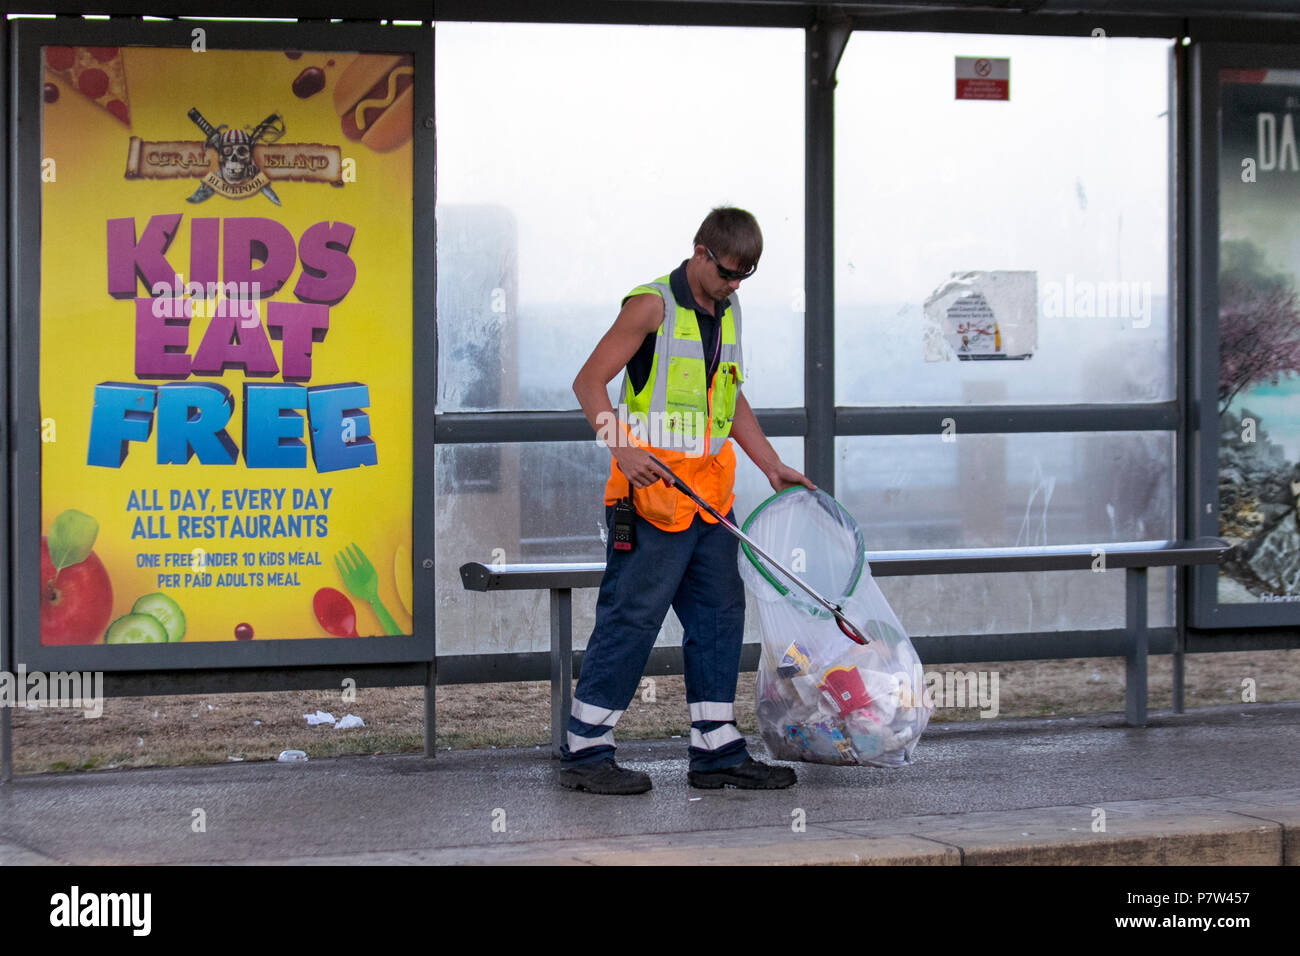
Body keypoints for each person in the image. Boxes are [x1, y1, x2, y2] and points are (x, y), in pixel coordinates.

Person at [563, 207, 814, 794]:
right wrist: (621, 449)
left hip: (708, 504)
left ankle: (715, 749)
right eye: (727, 273)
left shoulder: (729, 310)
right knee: (631, 619)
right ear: (700, 251)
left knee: (720, 617)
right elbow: (586, 383)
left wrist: (771, 464)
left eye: (743, 278)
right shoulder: (651, 306)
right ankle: (584, 750)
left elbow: (729, 397)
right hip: (649, 501)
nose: (733, 286)